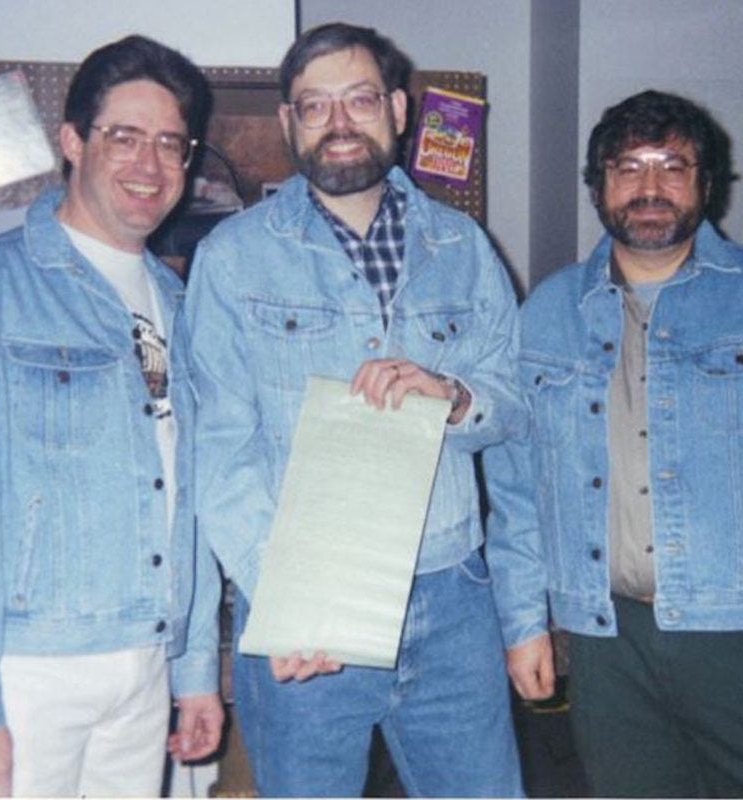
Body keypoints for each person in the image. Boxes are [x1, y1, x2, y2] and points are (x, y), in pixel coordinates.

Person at [187, 21, 532, 798]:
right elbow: (220, 446)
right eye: (315, 107)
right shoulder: (233, 258)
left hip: (453, 600)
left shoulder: (463, 246)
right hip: (306, 602)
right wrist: (286, 598)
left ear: (400, 109)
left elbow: (514, 407)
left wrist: (456, 397)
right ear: (288, 124)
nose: (340, 123)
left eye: (360, 100)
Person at [0, 35, 223, 797]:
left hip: (145, 665)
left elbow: (188, 494)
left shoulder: (177, 304)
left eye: (171, 144)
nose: (150, 165)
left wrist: (195, 668)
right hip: (26, 673)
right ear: (71, 142)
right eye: (123, 137)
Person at [485, 89, 743, 797]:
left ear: (706, 183)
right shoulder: (549, 311)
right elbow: (516, 490)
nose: (650, 187)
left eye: (672, 166)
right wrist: (522, 624)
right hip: (607, 642)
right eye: (628, 167)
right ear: (599, 185)